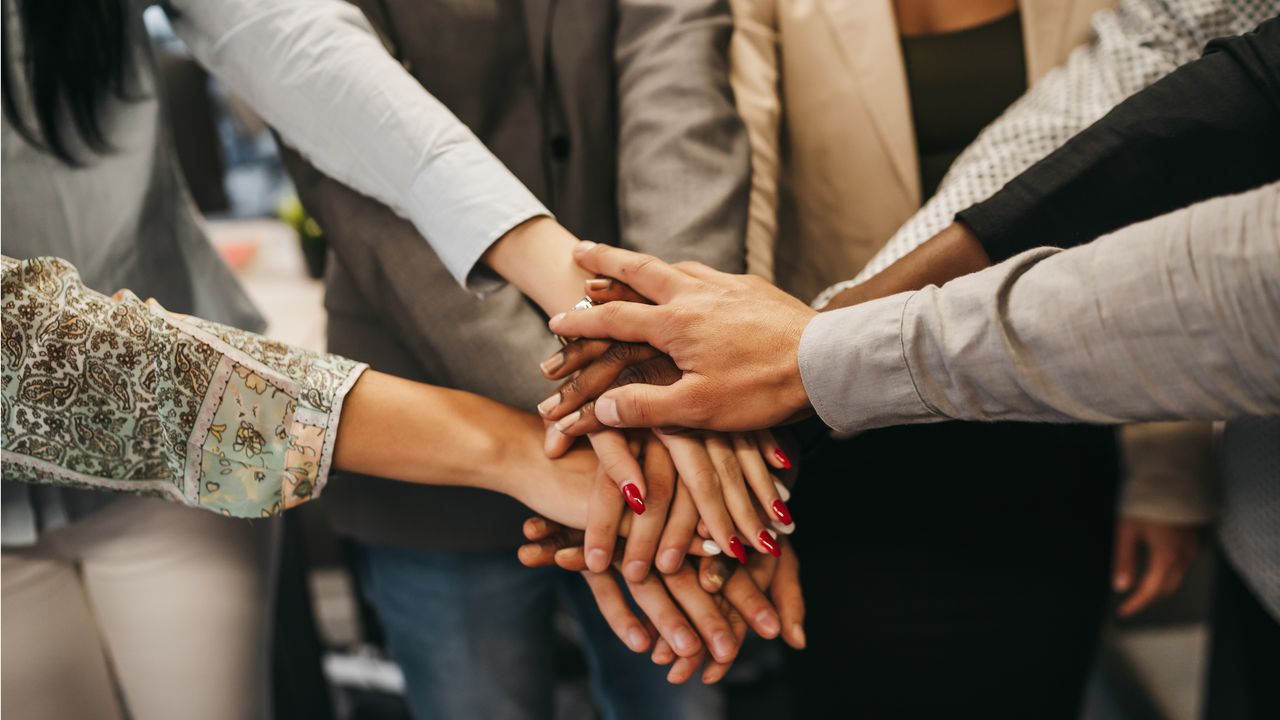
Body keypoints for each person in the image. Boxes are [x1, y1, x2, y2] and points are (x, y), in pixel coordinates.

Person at [0, 0, 766, 716]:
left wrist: (668, 363)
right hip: (402, 426)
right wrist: (606, 419)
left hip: (191, 469)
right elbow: (34, 354)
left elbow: (300, 47)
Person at [270, 2, 786, 716]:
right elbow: (346, 141)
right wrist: (620, 404)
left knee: (681, 699)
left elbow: (678, 75)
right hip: (430, 411)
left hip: (667, 413)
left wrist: (676, 347)